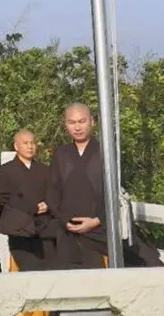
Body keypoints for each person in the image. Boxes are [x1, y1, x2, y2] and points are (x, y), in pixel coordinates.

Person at [47, 103, 107, 269]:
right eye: (72, 122)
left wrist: (97, 220)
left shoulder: (105, 151)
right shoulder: (61, 154)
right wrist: (64, 220)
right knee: (69, 277)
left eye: (82, 121)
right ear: (65, 124)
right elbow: (52, 192)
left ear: (92, 121)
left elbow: (115, 192)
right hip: (68, 229)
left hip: (99, 229)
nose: (77, 127)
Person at [0, 129, 56, 271]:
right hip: (21, 230)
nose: (30, 146)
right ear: (16, 146)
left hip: (45, 230)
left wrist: (48, 204)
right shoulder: (7, 170)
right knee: (29, 271)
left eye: (32, 143)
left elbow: (54, 193)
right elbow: (4, 199)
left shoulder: (44, 170)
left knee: (51, 271)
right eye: (25, 143)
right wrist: (31, 207)